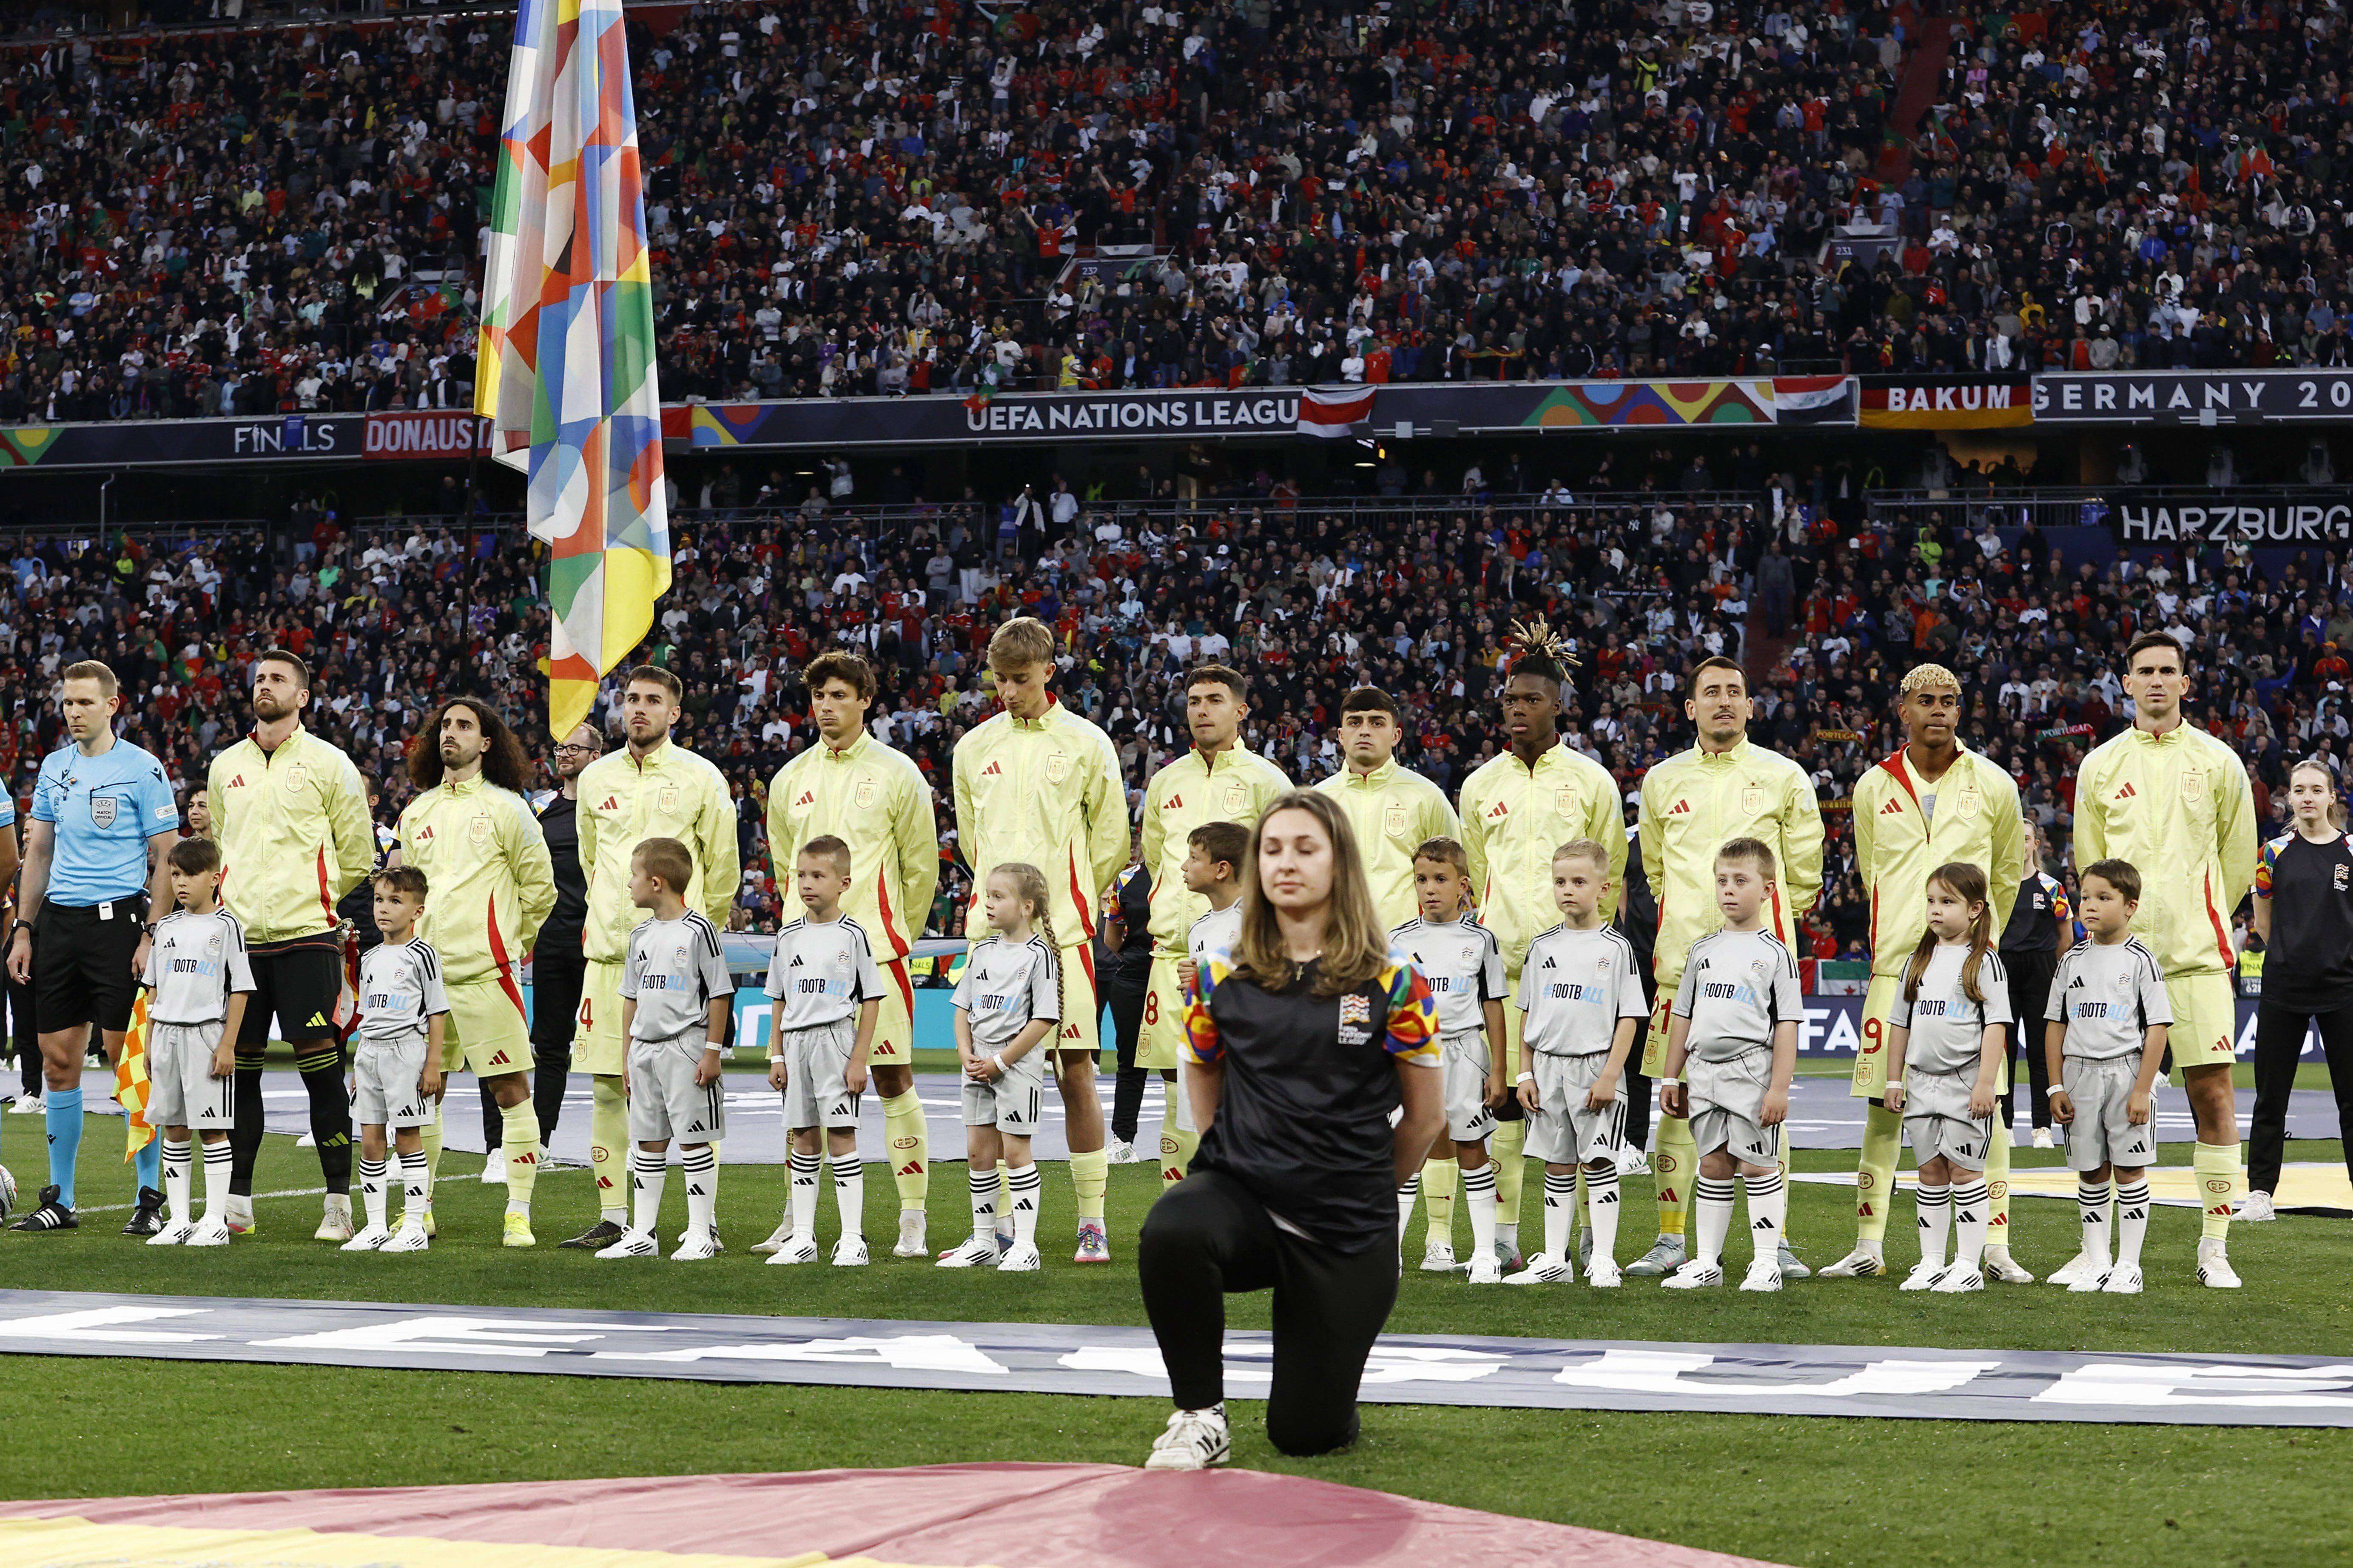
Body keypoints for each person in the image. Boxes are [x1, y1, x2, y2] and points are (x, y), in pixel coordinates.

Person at [1137, 791, 1441, 1470]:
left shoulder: (1396, 980)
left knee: (1305, 1434)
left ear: (1339, 864)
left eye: (1306, 849)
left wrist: (1364, 1187)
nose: (1286, 863)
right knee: (1174, 1226)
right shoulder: (1218, 973)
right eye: (1272, 849)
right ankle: (1199, 1416)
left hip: (1345, 1226)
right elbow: (1203, 1071)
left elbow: (1426, 1119)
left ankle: (1327, 1388)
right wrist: (1230, 1159)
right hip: (1247, 1203)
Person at [1823, 665, 2026, 1284]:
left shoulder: (1993, 783)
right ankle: (1868, 1244)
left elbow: (2007, 875)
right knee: (1883, 1108)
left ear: (1960, 710)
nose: (1938, 710)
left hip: (1969, 971)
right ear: (1903, 709)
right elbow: (1871, 870)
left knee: (1984, 1108)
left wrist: (1975, 945)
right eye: (1925, 700)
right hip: (1896, 969)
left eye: (1948, 701)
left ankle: (1994, 1247)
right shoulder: (1872, 785)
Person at [2070, 632, 2256, 1289]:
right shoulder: (2099, 766)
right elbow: (2091, 866)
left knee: (2213, 1095)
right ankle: (2096, 1253)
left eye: (2166, 671)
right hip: (2117, 966)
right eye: (2144, 671)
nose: (2155, 680)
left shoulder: (2218, 761)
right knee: (2102, 1104)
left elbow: (2238, 859)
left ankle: (2214, 1248)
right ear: (2126, 683)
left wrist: (2199, 919)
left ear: (2184, 682)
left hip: (2194, 959)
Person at [1633, 656, 1822, 1280]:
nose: (1723, 701)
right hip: (1680, 969)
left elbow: (1805, 875)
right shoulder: (1661, 780)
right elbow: (1655, 871)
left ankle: (1778, 1241)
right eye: (1710, 692)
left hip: (1757, 979)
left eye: (1734, 692)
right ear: (1691, 708)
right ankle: (1671, 1237)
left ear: (1749, 707)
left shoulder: (1783, 775)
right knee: (1676, 1101)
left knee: (1768, 1106)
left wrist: (1763, 940)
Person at [952, 616, 1127, 1263]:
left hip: (1063, 940)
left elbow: (1111, 839)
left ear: (1049, 672)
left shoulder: (1086, 743)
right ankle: (998, 1227)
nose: (1008, 692)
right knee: (990, 1080)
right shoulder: (974, 747)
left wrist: (1065, 905)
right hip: (991, 942)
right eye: (999, 680)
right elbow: (972, 844)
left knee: (1075, 1073)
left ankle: (1091, 1222)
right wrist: (1001, 910)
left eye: (1020, 680)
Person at [1457, 622, 1623, 1273]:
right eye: (1510, 700)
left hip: (1574, 973)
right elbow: (1477, 872)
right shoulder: (1479, 786)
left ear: (1558, 705)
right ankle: (1504, 1234)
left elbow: (1611, 874)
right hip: (1502, 970)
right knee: (1501, 1102)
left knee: (1579, 1106)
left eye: (1531, 699)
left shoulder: (1591, 781)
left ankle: (1586, 1235)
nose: (1518, 710)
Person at [763, 651, 940, 1259]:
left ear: (866, 699)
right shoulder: (790, 778)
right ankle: (797, 1219)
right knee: (802, 1094)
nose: (826, 706)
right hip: (805, 967)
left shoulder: (898, 774)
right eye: (819, 696)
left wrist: (893, 937)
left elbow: (921, 868)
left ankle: (912, 1218)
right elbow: (785, 865)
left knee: (891, 1079)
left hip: (876, 960)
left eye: (839, 695)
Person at [563, 667, 739, 1252]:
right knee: (608, 1089)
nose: (639, 709)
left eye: (653, 700)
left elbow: (723, 867)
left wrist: (696, 943)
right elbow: (593, 862)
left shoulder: (701, 777)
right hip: (609, 956)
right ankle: (619, 1218)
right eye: (632, 698)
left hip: (678, 965)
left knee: (689, 1091)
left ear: (674, 713)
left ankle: (701, 1223)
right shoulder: (595, 778)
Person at [7, 660, 180, 1235]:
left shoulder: (142, 768)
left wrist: (151, 932)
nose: (74, 713)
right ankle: (62, 1199)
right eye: (67, 703)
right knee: (58, 1062)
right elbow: (39, 853)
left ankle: (150, 1198)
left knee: (130, 1061)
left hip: (119, 926)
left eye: (84, 702)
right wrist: (24, 928)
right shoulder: (55, 768)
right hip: (59, 926)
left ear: (112, 704)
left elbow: (167, 854)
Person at [207, 649, 374, 1239]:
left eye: (278, 679)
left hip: (308, 938)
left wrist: (314, 894)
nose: (265, 686)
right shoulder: (226, 765)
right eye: (260, 678)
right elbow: (223, 845)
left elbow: (358, 853)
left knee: (321, 1071)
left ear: (302, 697)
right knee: (240, 1073)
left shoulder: (331, 763)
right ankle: (237, 1203)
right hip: (241, 943)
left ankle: (338, 1203)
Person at [392, 697, 555, 1244]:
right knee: (424, 1095)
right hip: (424, 980)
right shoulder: (417, 812)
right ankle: (420, 1210)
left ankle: (518, 1212)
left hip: (487, 974)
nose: (451, 733)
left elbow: (540, 890)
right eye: (445, 725)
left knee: (511, 1091)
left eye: (464, 726)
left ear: (486, 743)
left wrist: (507, 944)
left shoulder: (510, 809)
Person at [1314, 686, 1458, 1245]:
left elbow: (1454, 876)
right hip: (1340, 974)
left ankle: (1439, 1238)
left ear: (1396, 733)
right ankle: (1358, 1224)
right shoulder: (1318, 801)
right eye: (1355, 721)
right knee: (1347, 1100)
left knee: (1426, 1097)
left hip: (1411, 976)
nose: (1365, 731)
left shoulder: (1425, 797)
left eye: (1377, 721)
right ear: (1340, 734)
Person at [1137, 665, 1289, 1190]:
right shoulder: (1165, 781)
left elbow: (1283, 866)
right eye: (1194, 701)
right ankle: (1180, 1207)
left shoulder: (1268, 781)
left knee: (1245, 1086)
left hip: (1244, 961)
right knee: (1175, 1090)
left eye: (1214, 700)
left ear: (1240, 710)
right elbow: (1157, 858)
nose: (1202, 710)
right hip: (1172, 957)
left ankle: (1246, 1201)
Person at [1655, 838, 1801, 1294]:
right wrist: (1671, 1075)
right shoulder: (1702, 950)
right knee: (1713, 1165)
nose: (1729, 890)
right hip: (1702, 1073)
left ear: (1768, 890)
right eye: (1722, 881)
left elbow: (1787, 1024)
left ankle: (1766, 1263)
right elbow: (1682, 1016)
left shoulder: (1775, 953)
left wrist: (1779, 1088)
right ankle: (1707, 1263)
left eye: (1740, 881)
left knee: (1757, 1167)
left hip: (1750, 1071)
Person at [1508, 839, 1645, 1287]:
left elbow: (1629, 1017)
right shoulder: (1541, 946)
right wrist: (1524, 1072)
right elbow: (1528, 1012)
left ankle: (1602, 1258)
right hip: (1547, 1069)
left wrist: (1610, 1075)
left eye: (1579, 882)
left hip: (1595, 1069)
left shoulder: (1616, 948)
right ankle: (1555, 1259)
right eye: (1560, 881)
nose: (1568, 890)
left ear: (1603, 889)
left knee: (1600, 1163)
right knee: (1556, 1164)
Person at [598, 837, 733, 1262]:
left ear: (656, 883)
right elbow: (631, 998)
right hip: (645, 1050)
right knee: (647, 1143)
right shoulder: (639, 934)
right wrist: (627, 1055)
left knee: (694, 1143)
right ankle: (643, 1233)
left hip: (685, 1048)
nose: (629, 884)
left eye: (634, 876)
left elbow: (720, 993)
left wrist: (711, 1052)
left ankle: (701, 1233)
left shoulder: (699, 931)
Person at [1881, 862, 2014, 1293]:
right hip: (1921, 1084)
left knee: (1964, 1172)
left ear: (1975, 909)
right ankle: (1931, 1262)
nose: (1935, 910)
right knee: (1930, 1173)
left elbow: (1996, 1026)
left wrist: (1985, 1083)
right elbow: (1899, 1024)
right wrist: (1894, 1080)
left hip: (1964, 1083)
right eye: (1931, 901)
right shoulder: (1917, 961)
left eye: (1947, 902)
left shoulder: (1984, 963)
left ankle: (1967, 1265)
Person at [756, 835, 884, 1267]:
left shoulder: (853, 935)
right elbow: (778, 998)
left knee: (841, 1135)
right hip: (795, 1044)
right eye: (801, 875)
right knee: (804, 1138)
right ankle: (803, 1238)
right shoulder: (787, 935)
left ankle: (852, 1239)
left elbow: (871, 999)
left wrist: (859, 1058)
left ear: (843, 882)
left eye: (818, 875)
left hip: (836, 1040)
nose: (807, 884)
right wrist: (776, 1055)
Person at [2044, 859, 2171, 1295]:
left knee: (2129, 1170)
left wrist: (2142, 1089)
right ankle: (2097, 1263)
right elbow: (2055, 1025)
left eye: (2103, 897)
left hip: (2125, 1071)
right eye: (2085, 897)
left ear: (2130, 906)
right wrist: (2055, 1085)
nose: (2090, 906)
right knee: (2091, 1171)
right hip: (2078, 1073)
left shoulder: (2141, 961)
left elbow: (2157, 1029)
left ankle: (2128, 1266)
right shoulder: (2070, 960)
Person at [1387, 838, 1508, 1280]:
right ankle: (1388, 1254)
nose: (1430, 888)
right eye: (1422, 880)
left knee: (1471, 1148)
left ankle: (1484, 1254)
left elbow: (1493, 1004)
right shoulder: (1397, 940)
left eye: (1440, 879)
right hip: (1412, 1056)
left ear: (1463, 885)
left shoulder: (1481, 939)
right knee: (1405, 1150)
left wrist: (1499, 1070)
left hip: (1465, 1052)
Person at [938, 862, 1062, 1273]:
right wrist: (965, 1052)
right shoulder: (983, 951)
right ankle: (984, 1241)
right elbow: (962, 1007)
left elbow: (1043, 1019)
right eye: (986, 896)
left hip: (1016, 1065)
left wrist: (1001, 1061)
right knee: (978, 1153)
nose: (987, 904)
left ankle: (1025, 1245)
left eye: (997, 897)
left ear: (1026, 907)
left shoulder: (1039, 955)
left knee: (1015, 1151)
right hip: (978, 1064)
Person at [2244, 758, 2353, 1220]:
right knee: (2270, 1097)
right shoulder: (2272, 852)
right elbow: (2263, 922)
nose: (2307, 797)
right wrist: (2291, 955)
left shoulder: (2351, 849)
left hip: (2343, 989)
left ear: (2331, 797)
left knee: (2351, 1098)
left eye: (2316, 789)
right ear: (2288, 798)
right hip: (2283, 988)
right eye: (2299, 790)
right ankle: (2259, 1195)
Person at [139, 835, 255, 1248]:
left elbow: (240, 989)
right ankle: (179, 1220)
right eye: (175, 875)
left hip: (206, 1035)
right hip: (166, 1035)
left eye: (190, 874)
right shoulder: (165, 928)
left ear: (215, 878)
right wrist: (150, 1041)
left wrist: (228, 1045)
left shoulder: (227, 927)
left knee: (211, 1129)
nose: (181, 883)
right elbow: (154, 989)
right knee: (174, 1127)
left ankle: (215, 1220)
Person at [341, 866, 447, 1255]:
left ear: (417, 911)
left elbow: (437, 1012)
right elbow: (366, 1015)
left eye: (395, 901)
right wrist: (358, 1063)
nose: (384, 908)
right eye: (379, 900)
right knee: (370, 1141)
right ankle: (375, 1226)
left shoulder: (423, 955)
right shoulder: (370, 957)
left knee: (407, 1138)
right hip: (370, 1053)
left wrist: (433, 1064)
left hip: (406, 1052)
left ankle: (415, 1226)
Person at [1999, 818, 2071, 1151]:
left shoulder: (2051, 886)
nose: (2021, 844)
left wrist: (2050, 968)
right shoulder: (1996, 887)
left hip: (2040, 971)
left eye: (2026, 839)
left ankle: (2042, 1127)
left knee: (2041, 1053)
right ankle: (2003, 1125)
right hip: (2003, 971)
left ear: (2035, 844)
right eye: (2015, 838)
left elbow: (2065, 937)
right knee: (2003, 1052)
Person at [1101, 839, 1154, 1162]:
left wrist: (1135, 957)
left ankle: (1122, 1141)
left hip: (1134, 974)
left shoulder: (1127, 880)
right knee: (1188, 1060)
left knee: (1130, 1062)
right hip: (1174, 974)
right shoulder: (1191, 875)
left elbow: (1112, 939)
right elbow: (1110, 938)